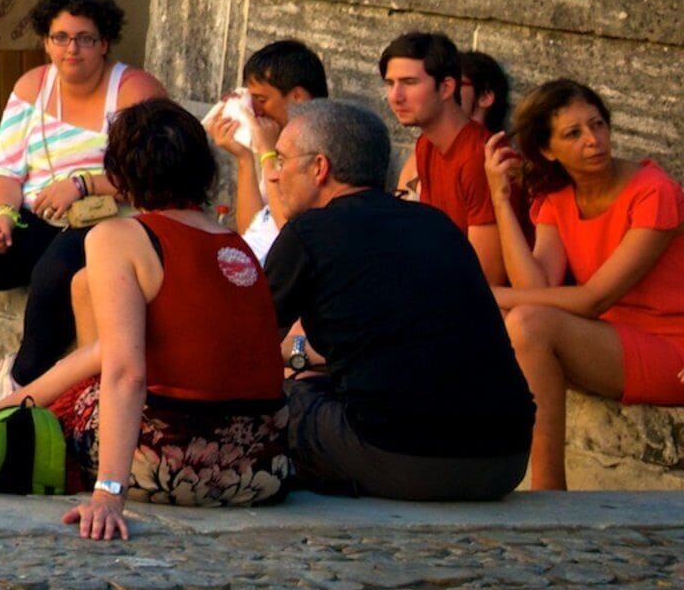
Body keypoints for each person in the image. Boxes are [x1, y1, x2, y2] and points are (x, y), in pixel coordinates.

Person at [0, 102, 289, 539]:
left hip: (174, 466)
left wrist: (109, 493)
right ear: (203, 170)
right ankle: (0, 407)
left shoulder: (118, 236)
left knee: (72, 405)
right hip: (260, 470)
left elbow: (123, 370)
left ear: (121, 176)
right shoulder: (233, 240)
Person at [261, 98, 532, 501]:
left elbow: (245, 348)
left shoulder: (310, 233)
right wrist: (304, 357)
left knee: (285, 401)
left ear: (319, 168)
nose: (276, 176)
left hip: (405, 459)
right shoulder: (435, 222)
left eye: (280, 160)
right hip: (506, 459)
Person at [0, 0, 166, 422]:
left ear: (104, 42)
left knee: (55, 270)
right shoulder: (32, 86)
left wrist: (84, 183)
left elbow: (157, 171)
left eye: (85, 38)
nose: (72, 49)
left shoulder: (133, 90)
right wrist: (3, 215)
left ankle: (22, 385)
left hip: (111, 223)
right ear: (46, 41)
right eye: (60, 37)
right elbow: (4, 168)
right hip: (39, 217)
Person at [490, 78, 684, 492]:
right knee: (515, 319)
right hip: (612, 341)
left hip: (671, 347)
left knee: (525, 322)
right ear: (547, 150)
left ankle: (548, 490)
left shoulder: (654, 193)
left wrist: (490, 294)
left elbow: (595, 299)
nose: (593, 141)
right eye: (573, 134)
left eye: (598, 125)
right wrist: (502, 200)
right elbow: (536, 283)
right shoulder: (558, 199)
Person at [383, 30, 508, 283]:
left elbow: (488, 276)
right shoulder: (426, 145)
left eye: (409, 83)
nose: (396, 96)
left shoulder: (478, 157)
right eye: (390, 83)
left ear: (447, 87)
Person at [202, 38, 329, 258]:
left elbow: (289, 232)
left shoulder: (323, 146)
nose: (255, 110)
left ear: (297, 97)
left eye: (262, 99)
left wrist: (267, 153)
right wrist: (244, 158)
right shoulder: (276, 142)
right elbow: (252, 232)